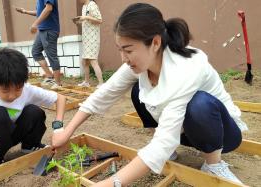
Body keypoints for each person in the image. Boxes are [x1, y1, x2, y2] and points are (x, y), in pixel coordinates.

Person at [51, 3, 248, 186]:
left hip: (222, 133)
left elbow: (163, 142)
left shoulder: (187, 68)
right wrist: (66, 133)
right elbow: (104, 93)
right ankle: (172, 152)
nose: (124, 58)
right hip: (185, 131)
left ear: (155, 42)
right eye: (120, 50)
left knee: (199, 104)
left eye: (128, 50)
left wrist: (110, 183)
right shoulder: (141, 62)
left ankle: (214, 164)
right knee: (139, 90)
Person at [0, 48, 66, 168]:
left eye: (18, 89)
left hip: (14, 132)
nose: (12, 95)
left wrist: (58, 127)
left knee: (34, 111)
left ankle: (30, 145)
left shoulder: (27, 89)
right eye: (5, 90)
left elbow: (60, 98)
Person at [16, 0, 61, 89]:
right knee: (36, 52)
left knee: (51, 56)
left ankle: (58, 83)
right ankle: (49, 77)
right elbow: (39, 12)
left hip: (49, 29)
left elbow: (48, 8)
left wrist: (35, 24)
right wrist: (25, 11)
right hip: (42, 30)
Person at [73, 0, 103, 88]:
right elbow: (87, 21)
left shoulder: (92, 5)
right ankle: (86, 82)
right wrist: (78, 22)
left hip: (93, 38)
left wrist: (86, 17)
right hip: (86, 38)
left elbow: (99, 20)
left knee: (93, 60)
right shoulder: (84, 6)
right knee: (84, 61)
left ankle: (101, 83)